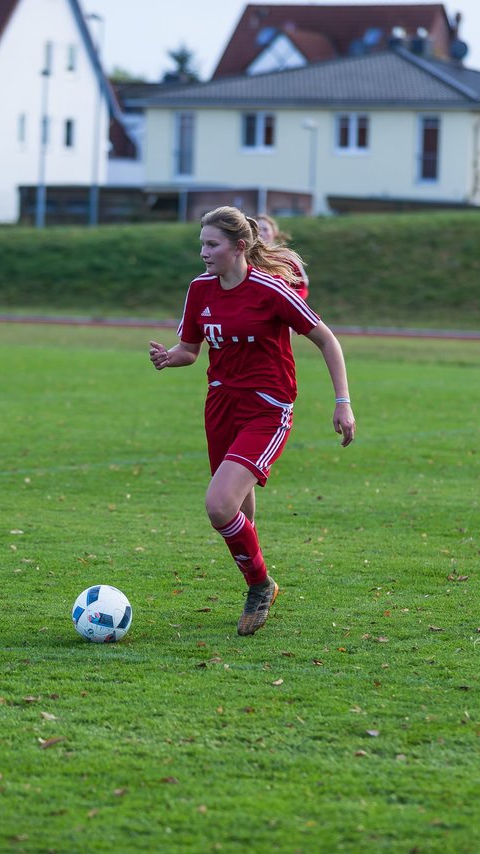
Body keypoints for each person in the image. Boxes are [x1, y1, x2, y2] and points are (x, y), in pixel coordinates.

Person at [149, 206, 355, 636]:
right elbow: (190, 349)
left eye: (212, 244)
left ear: (239, 246)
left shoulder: (271, 290)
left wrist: (342, 402)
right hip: (221, 405)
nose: (203, 252)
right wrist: (171, 358)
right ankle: (256, 569)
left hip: (267, 407)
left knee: (218, 505)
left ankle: (260, 586)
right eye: (201, 244)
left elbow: (327, 340)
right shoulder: (199, 290)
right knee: (238, 512)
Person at [256, 213, 308, 300]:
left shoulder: (286, 257)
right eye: (258, 230)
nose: (261, 233)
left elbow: (302, 286)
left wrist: (292, 303)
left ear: (274, 233)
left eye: (265, 229)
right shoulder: (247, 258)